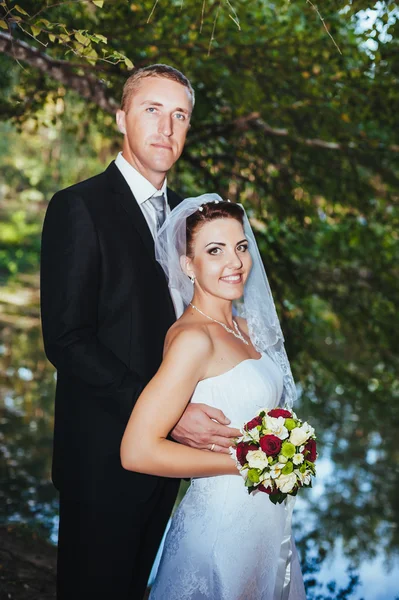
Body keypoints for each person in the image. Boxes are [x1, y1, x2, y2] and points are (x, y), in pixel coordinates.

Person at [40, 65, 239, 600]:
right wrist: (166, 410)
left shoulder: (186, 221)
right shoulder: (78, 206)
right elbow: (66, 338)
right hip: (102, 458)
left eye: (179, 116)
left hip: (171, 460)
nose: (166, 128)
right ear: (122, 115)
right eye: (152, 110)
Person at [121, 194, 307, 599]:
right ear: (188, 265)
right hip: (220, 527)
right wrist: (241, 463)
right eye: (215, 250)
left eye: (240, 247)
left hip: (265, 521)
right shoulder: (192, 339)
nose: (235, 262)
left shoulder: (249, 328)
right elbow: (136, 451)